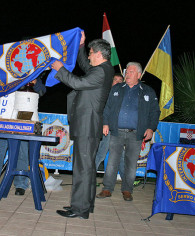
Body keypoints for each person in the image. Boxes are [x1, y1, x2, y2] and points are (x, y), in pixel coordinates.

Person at [51, 32, 114, 219]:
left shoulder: (102, 71)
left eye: (90, 52)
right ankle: (82, 206)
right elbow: (85, 66)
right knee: (85, 168)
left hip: (88, 125)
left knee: (83, 169)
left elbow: (77, 83)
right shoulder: (102, 68)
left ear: (99, 55)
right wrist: (81, 46)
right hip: (86, 125)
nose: (88, 56)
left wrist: (61, 69)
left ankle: (80, 209)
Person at [96, 62, 160, 201]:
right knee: (112, 161)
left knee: (131, 163)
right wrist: (105, 123)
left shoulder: (148, 91)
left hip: (136, 133)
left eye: (131, 72)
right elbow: (107, 108)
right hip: (116, 132)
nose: (127, 74)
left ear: (138, 74)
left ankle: (127, 190)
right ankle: (107, 189)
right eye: (126, 72)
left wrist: (150, 128)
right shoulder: (117, 89)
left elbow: (155, 112)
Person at [0, 78, 46, 196]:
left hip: (23, 119)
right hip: (3, 118)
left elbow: (42, 91)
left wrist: (35, 82)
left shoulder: (31, 72)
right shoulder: (3, 72)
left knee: (22, 153)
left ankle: (21, 184)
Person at [95, 73, 125, 179]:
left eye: (120, 80)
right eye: (115, 79)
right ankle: (89, 177)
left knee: (121, 155)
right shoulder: (105, 93)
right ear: (111, 81)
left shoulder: (125, 94)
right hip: (107, 128)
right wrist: (104, 124)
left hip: (119, 129)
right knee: (101, 153)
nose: (117, 81)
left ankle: (126, 181)